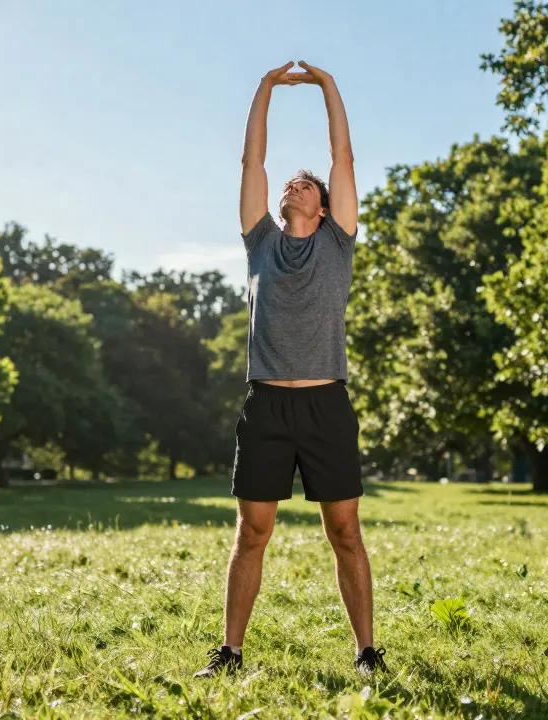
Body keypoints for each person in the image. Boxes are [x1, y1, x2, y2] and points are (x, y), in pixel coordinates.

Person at [195, 61, 385, 679]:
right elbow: (252, 162)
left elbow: (344, 156)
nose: (295, 185)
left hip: (327, 403)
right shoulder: (260, 243)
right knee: (252, 532)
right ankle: (230, 652)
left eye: (307, 184)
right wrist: (267, 87)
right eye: (292, 183)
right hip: (268, 406)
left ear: (327, 207)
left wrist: (329, 85)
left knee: (345, 532)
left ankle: (366, 652)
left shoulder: (338, 242)